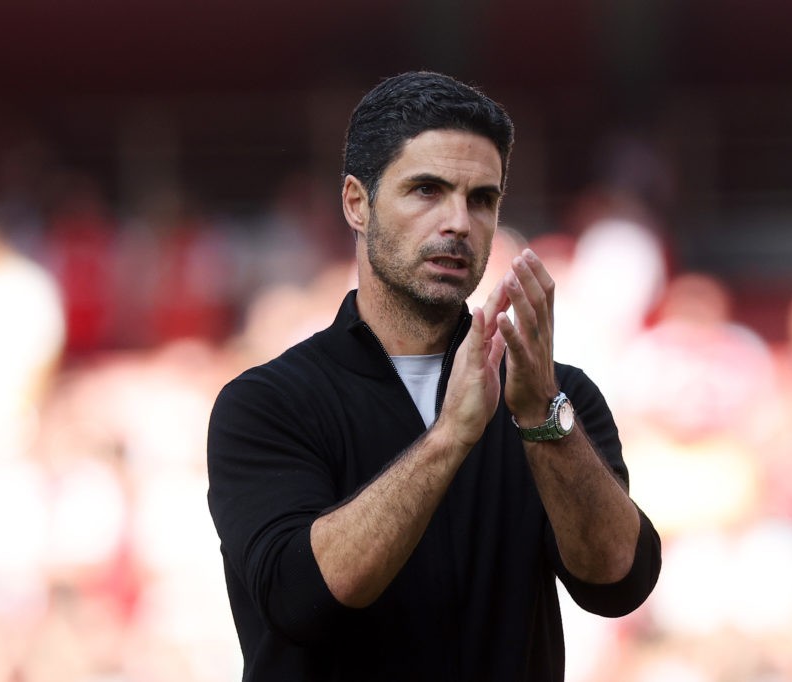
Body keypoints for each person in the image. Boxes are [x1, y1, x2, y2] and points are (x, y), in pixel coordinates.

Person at [207, 70, 661, 682]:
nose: (458, 223)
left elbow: (617, 581)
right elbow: (301, 598)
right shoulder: (266, 403)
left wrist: (541, 420)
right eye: (427, 190)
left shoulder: (553, 398)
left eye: (482, 199)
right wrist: (450, 436)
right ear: (356, 203)